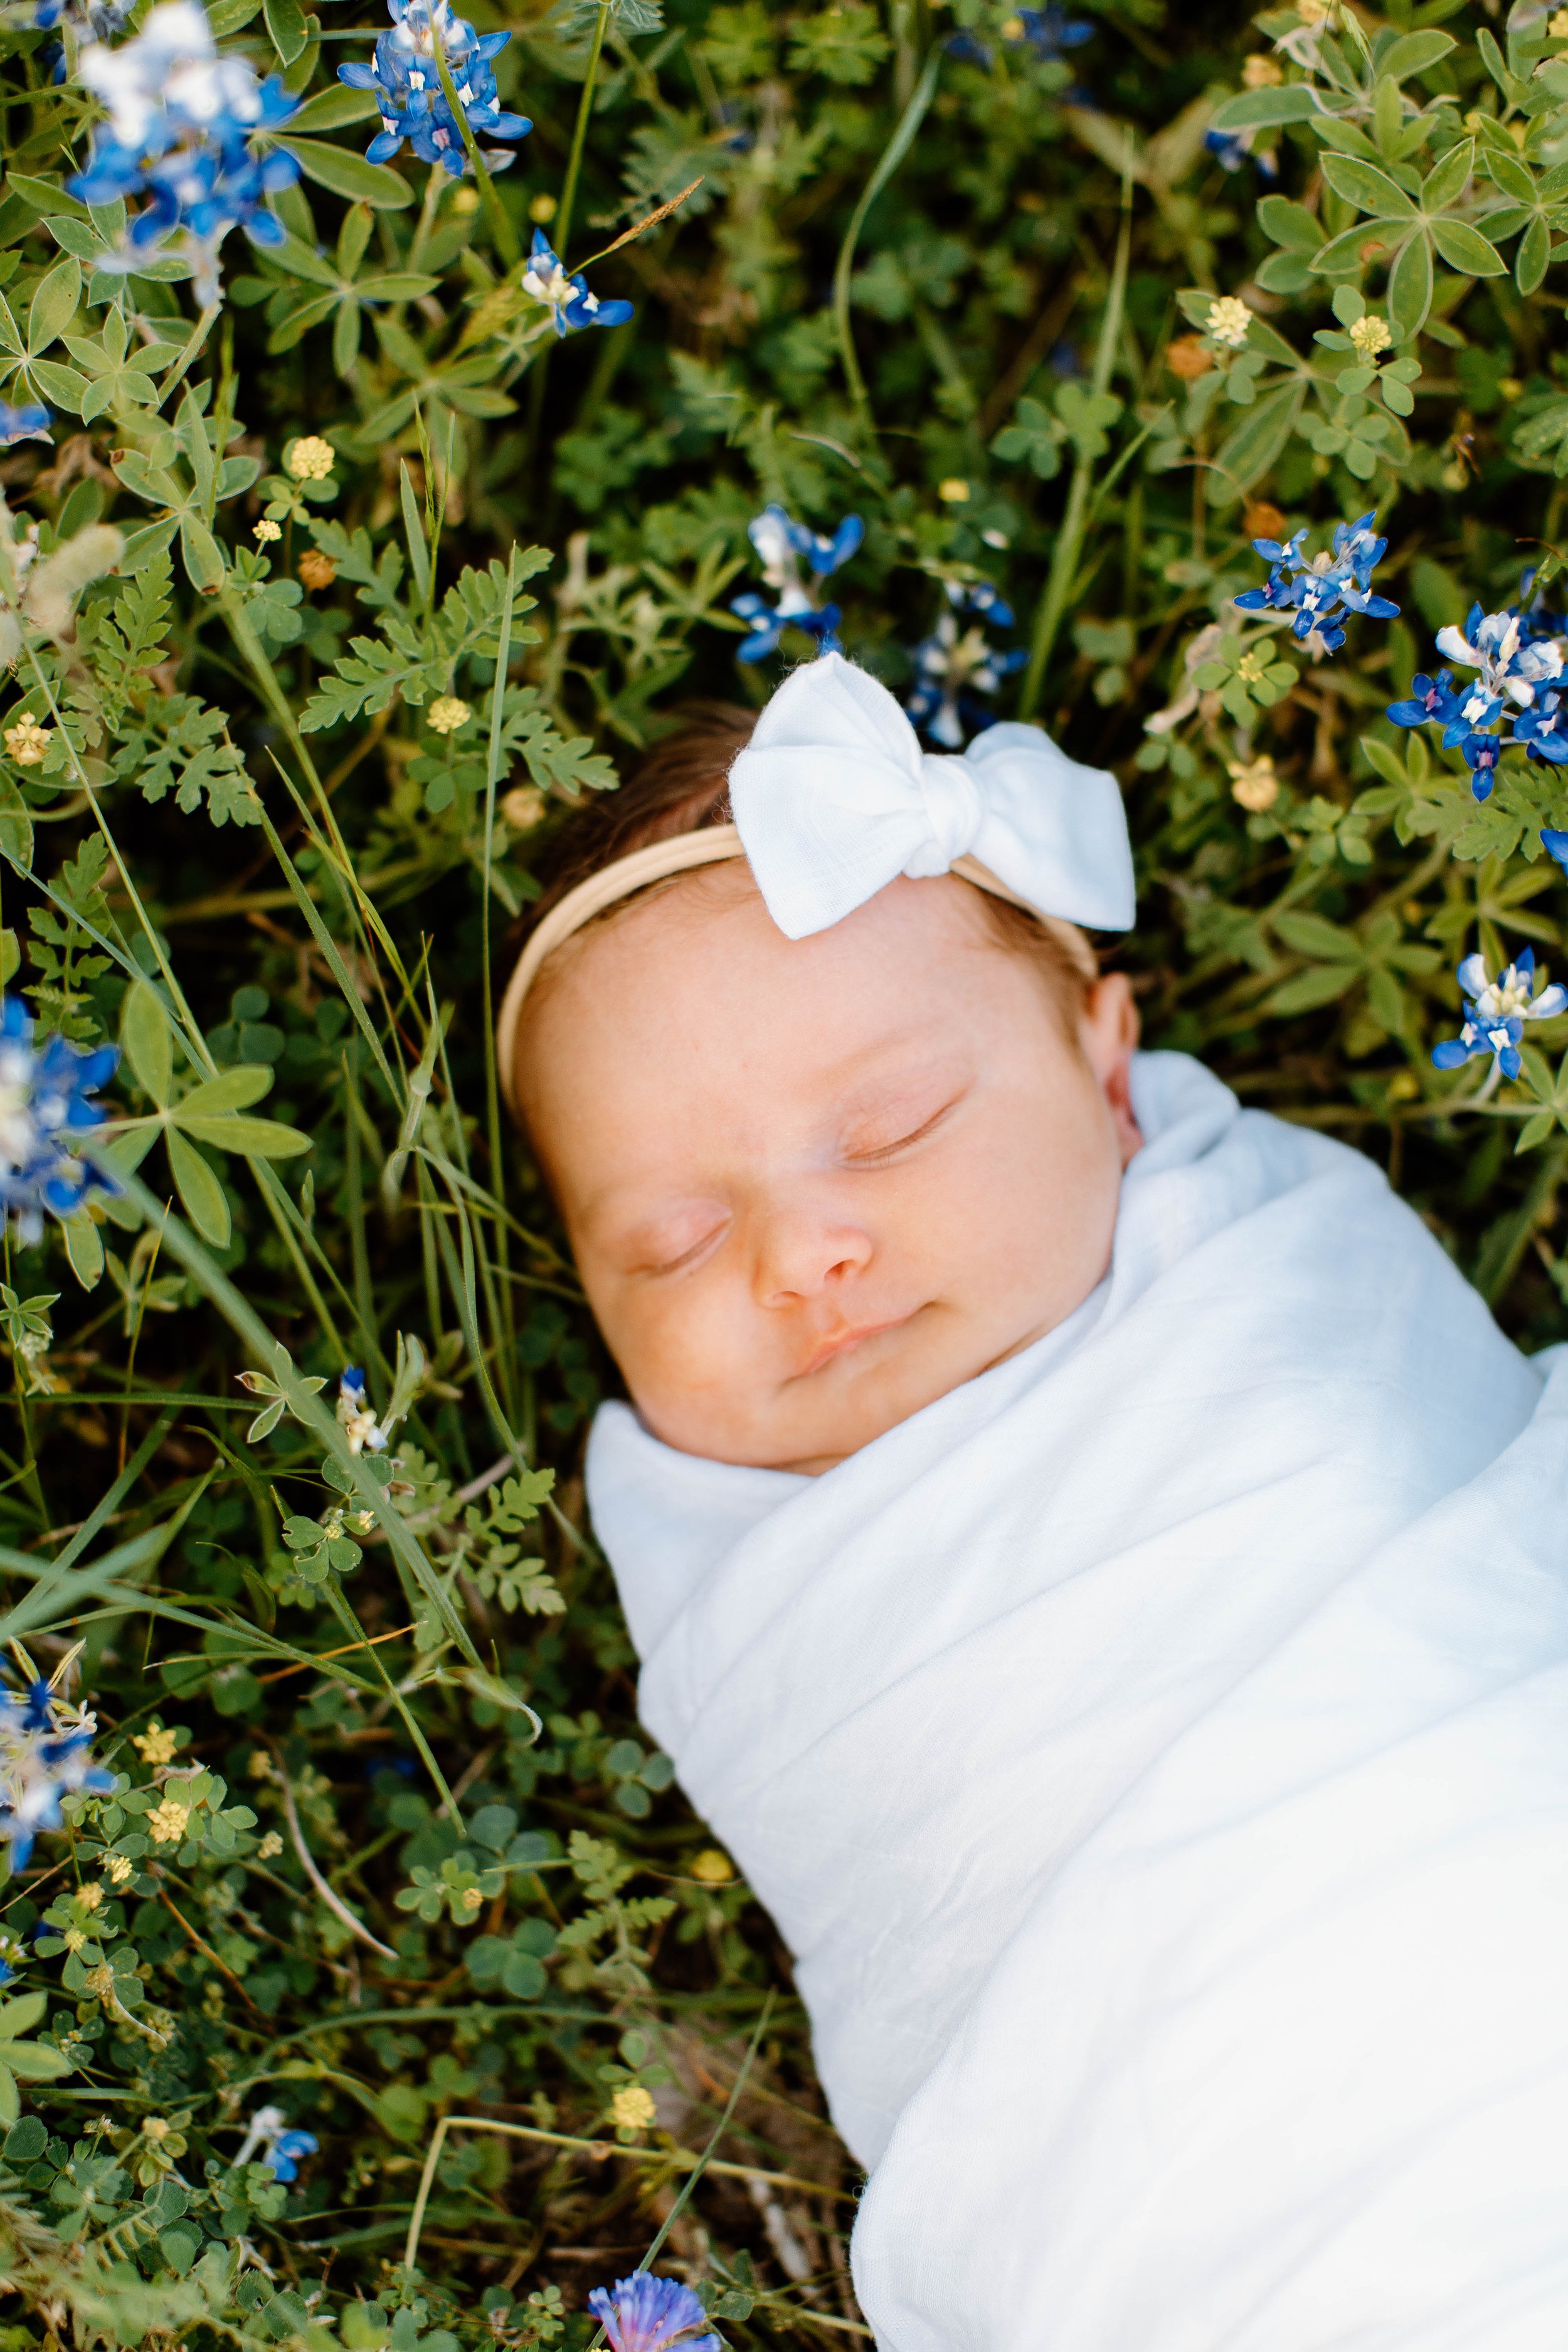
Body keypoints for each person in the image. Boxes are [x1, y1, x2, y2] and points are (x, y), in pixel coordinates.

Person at [499, 651, 1568, 2351]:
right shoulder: (746, 1580)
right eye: (669, 1243)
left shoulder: (1276, 1280)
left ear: (1107, 1069)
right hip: (1173, 2174)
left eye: (893, 1125)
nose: (797, 1257)